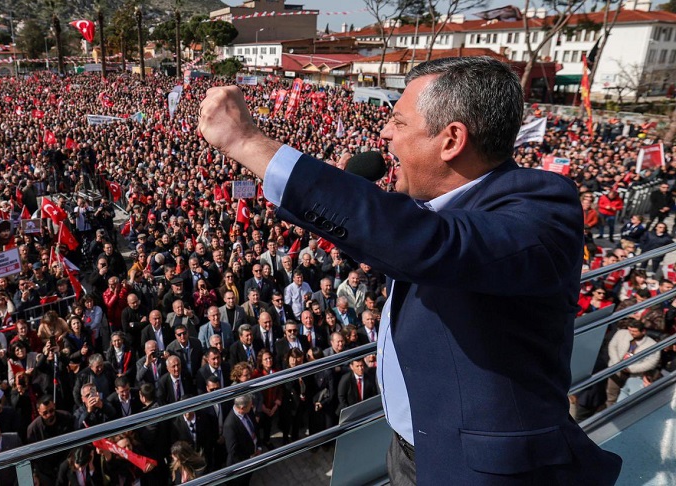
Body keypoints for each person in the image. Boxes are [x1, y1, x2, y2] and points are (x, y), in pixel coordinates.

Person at [197, 56, 621, 484]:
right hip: (408, 445)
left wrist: (247, 142)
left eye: (398, 123)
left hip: (483, 469)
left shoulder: (540, 210)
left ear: (452, 139)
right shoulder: (431, 207)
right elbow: (397, 237)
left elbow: (425, 244)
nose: (384, 134)